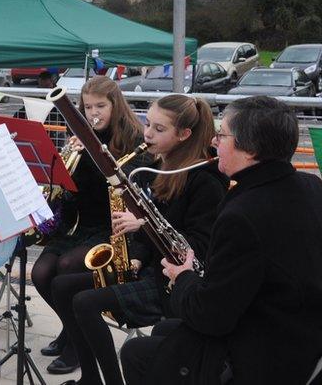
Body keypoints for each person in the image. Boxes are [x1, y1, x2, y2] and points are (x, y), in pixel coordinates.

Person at [121, 96, 322, 385]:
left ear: (250, 149)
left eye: (222, 134)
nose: (214, 142)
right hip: (304, 333)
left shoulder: (243, 214)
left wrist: (184, 276)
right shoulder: (311, 185)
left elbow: (210, 317)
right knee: (164, 332)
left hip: (269, 355)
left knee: (136, 352)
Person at [51, 95, 225, 385]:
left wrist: (141, 225)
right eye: (148, 124)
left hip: (174, 282)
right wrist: (136, 255)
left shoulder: (204, 180)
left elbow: (198, 244)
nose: (147, 134)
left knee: (85, 302)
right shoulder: (158, 167)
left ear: (183, 135)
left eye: (159, 129)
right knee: (61, 286)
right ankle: (90, 378)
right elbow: (153, 226)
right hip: (149, 268)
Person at [31, 76, 145, 374]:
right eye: (87, 106)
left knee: (68, 267)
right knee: (41, 273)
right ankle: (72, 329)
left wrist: (93, 153)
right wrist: (66, 164)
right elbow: (72, 192)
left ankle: (76, 347)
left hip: (115, 227)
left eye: (100, 106)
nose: (93, 112)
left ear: (115, 105)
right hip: (81, 225)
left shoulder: (131, 139)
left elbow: (124, 186)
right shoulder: (79, 136)